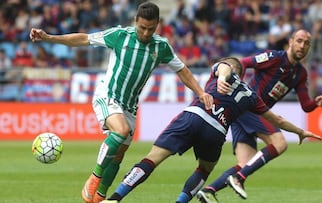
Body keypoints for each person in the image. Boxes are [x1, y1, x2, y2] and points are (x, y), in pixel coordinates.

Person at [29, 2, 214, 203]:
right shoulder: (120, 36)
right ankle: (95, 177)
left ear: (157, 25)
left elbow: (182, 70)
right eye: (142, 27)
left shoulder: (161, 47)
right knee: (121, 131)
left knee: (118, 156)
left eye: (150, 29)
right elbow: (83, 39)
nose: (145, 32)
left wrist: (200, 92)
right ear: (135, 21)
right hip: (107, 95)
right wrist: (48, 37)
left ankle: (99, 196)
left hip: (130, 107)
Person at [100, 56, 322, 203]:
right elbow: (278, 120)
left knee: (153, 158)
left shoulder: (222, 72)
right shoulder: (251, 96)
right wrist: (300, 132)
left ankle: (115, 198)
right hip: (216, 132)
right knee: (204, 170)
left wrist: (223, 74)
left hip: (193, 116)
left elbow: (224, 67)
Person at [197, 29, 322, 203]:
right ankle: (238, 179)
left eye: (306, 43)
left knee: (246, 163)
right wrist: (238, 88)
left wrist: (316, 103)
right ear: (291, 42)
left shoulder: (300, 73)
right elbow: (243, 63)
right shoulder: (274, 58)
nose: (302, 46)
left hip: (247, 114)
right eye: (299, 41)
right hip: (249, 107)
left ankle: (209, 190)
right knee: (279, 144)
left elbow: (305, 105)